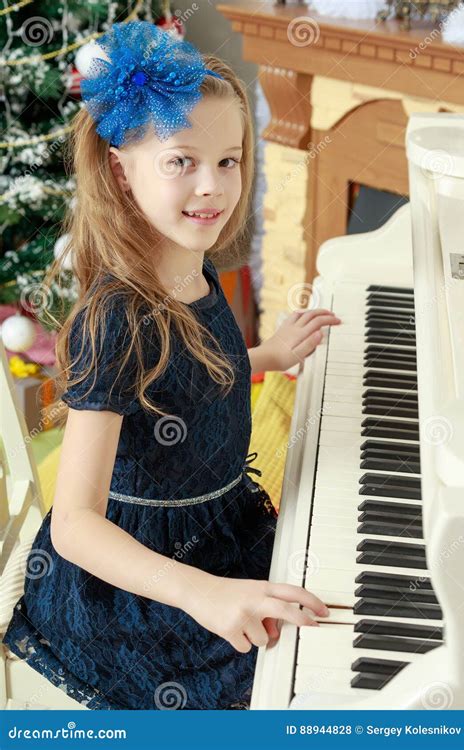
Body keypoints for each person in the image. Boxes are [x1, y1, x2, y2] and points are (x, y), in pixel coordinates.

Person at [2, 21, 341, 710]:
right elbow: (73, 525)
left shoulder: (196, 269)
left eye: (230, 160)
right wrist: (204, 593)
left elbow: (183, 379)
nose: (212, 187)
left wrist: (266, 355)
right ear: (122, 171)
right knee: (286, 689)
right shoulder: (116, 318)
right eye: (181, 161)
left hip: (219, 526)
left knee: (327, 607)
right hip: (137, 583)